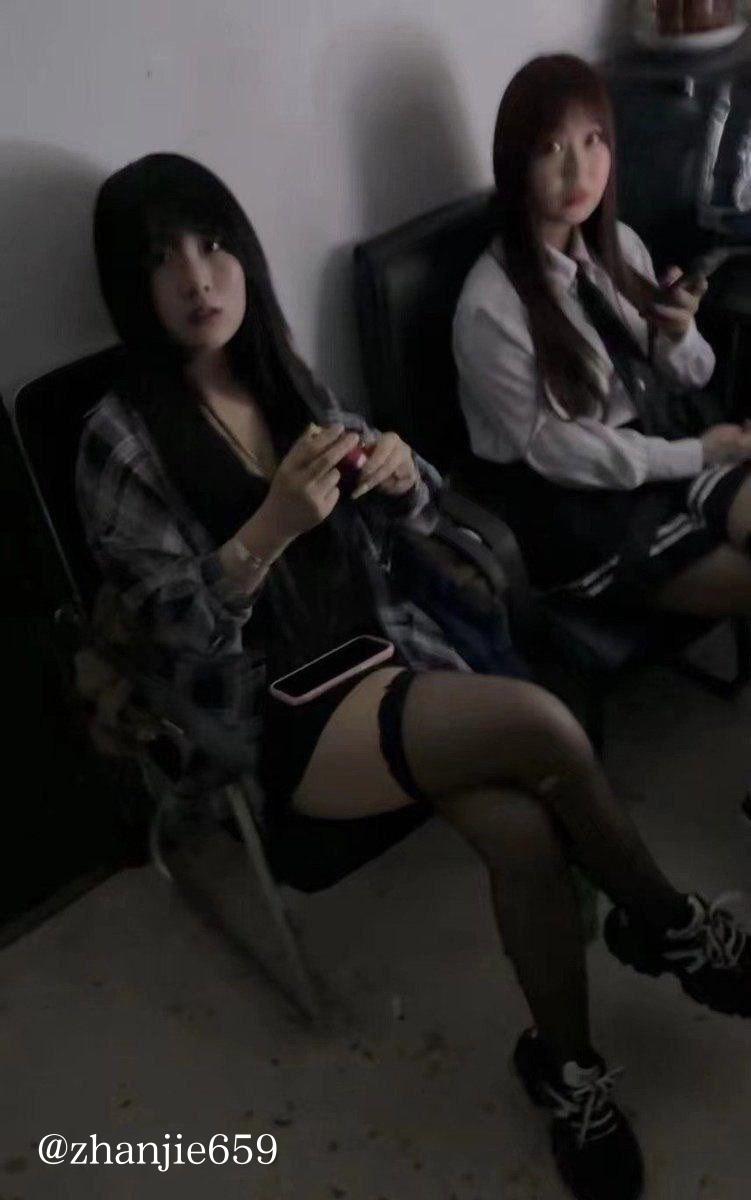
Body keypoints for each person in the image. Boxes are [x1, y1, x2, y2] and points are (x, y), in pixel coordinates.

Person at [78, 152, 751, 1200]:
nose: (197, 279)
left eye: (212, 246)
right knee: (541, 724)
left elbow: (417, 512)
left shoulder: (282, 375)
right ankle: (663, 921)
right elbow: (174, 646)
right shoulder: (118, 440)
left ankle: (565, 1067)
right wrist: (264, 532)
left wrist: (397, 473)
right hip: (280, 707)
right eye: (163, 259)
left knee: (524, 832)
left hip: (385, 644)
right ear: (132, 284)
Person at [453, 53, 751, 615]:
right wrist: (694, 454)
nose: (579, 171)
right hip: (578, 507)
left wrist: (679, 333)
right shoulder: (489, 309)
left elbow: (693, 375)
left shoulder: (618, 244)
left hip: (656, 445)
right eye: (551, 148)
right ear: (515, 163)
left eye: (593, 141)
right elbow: (555, 451)